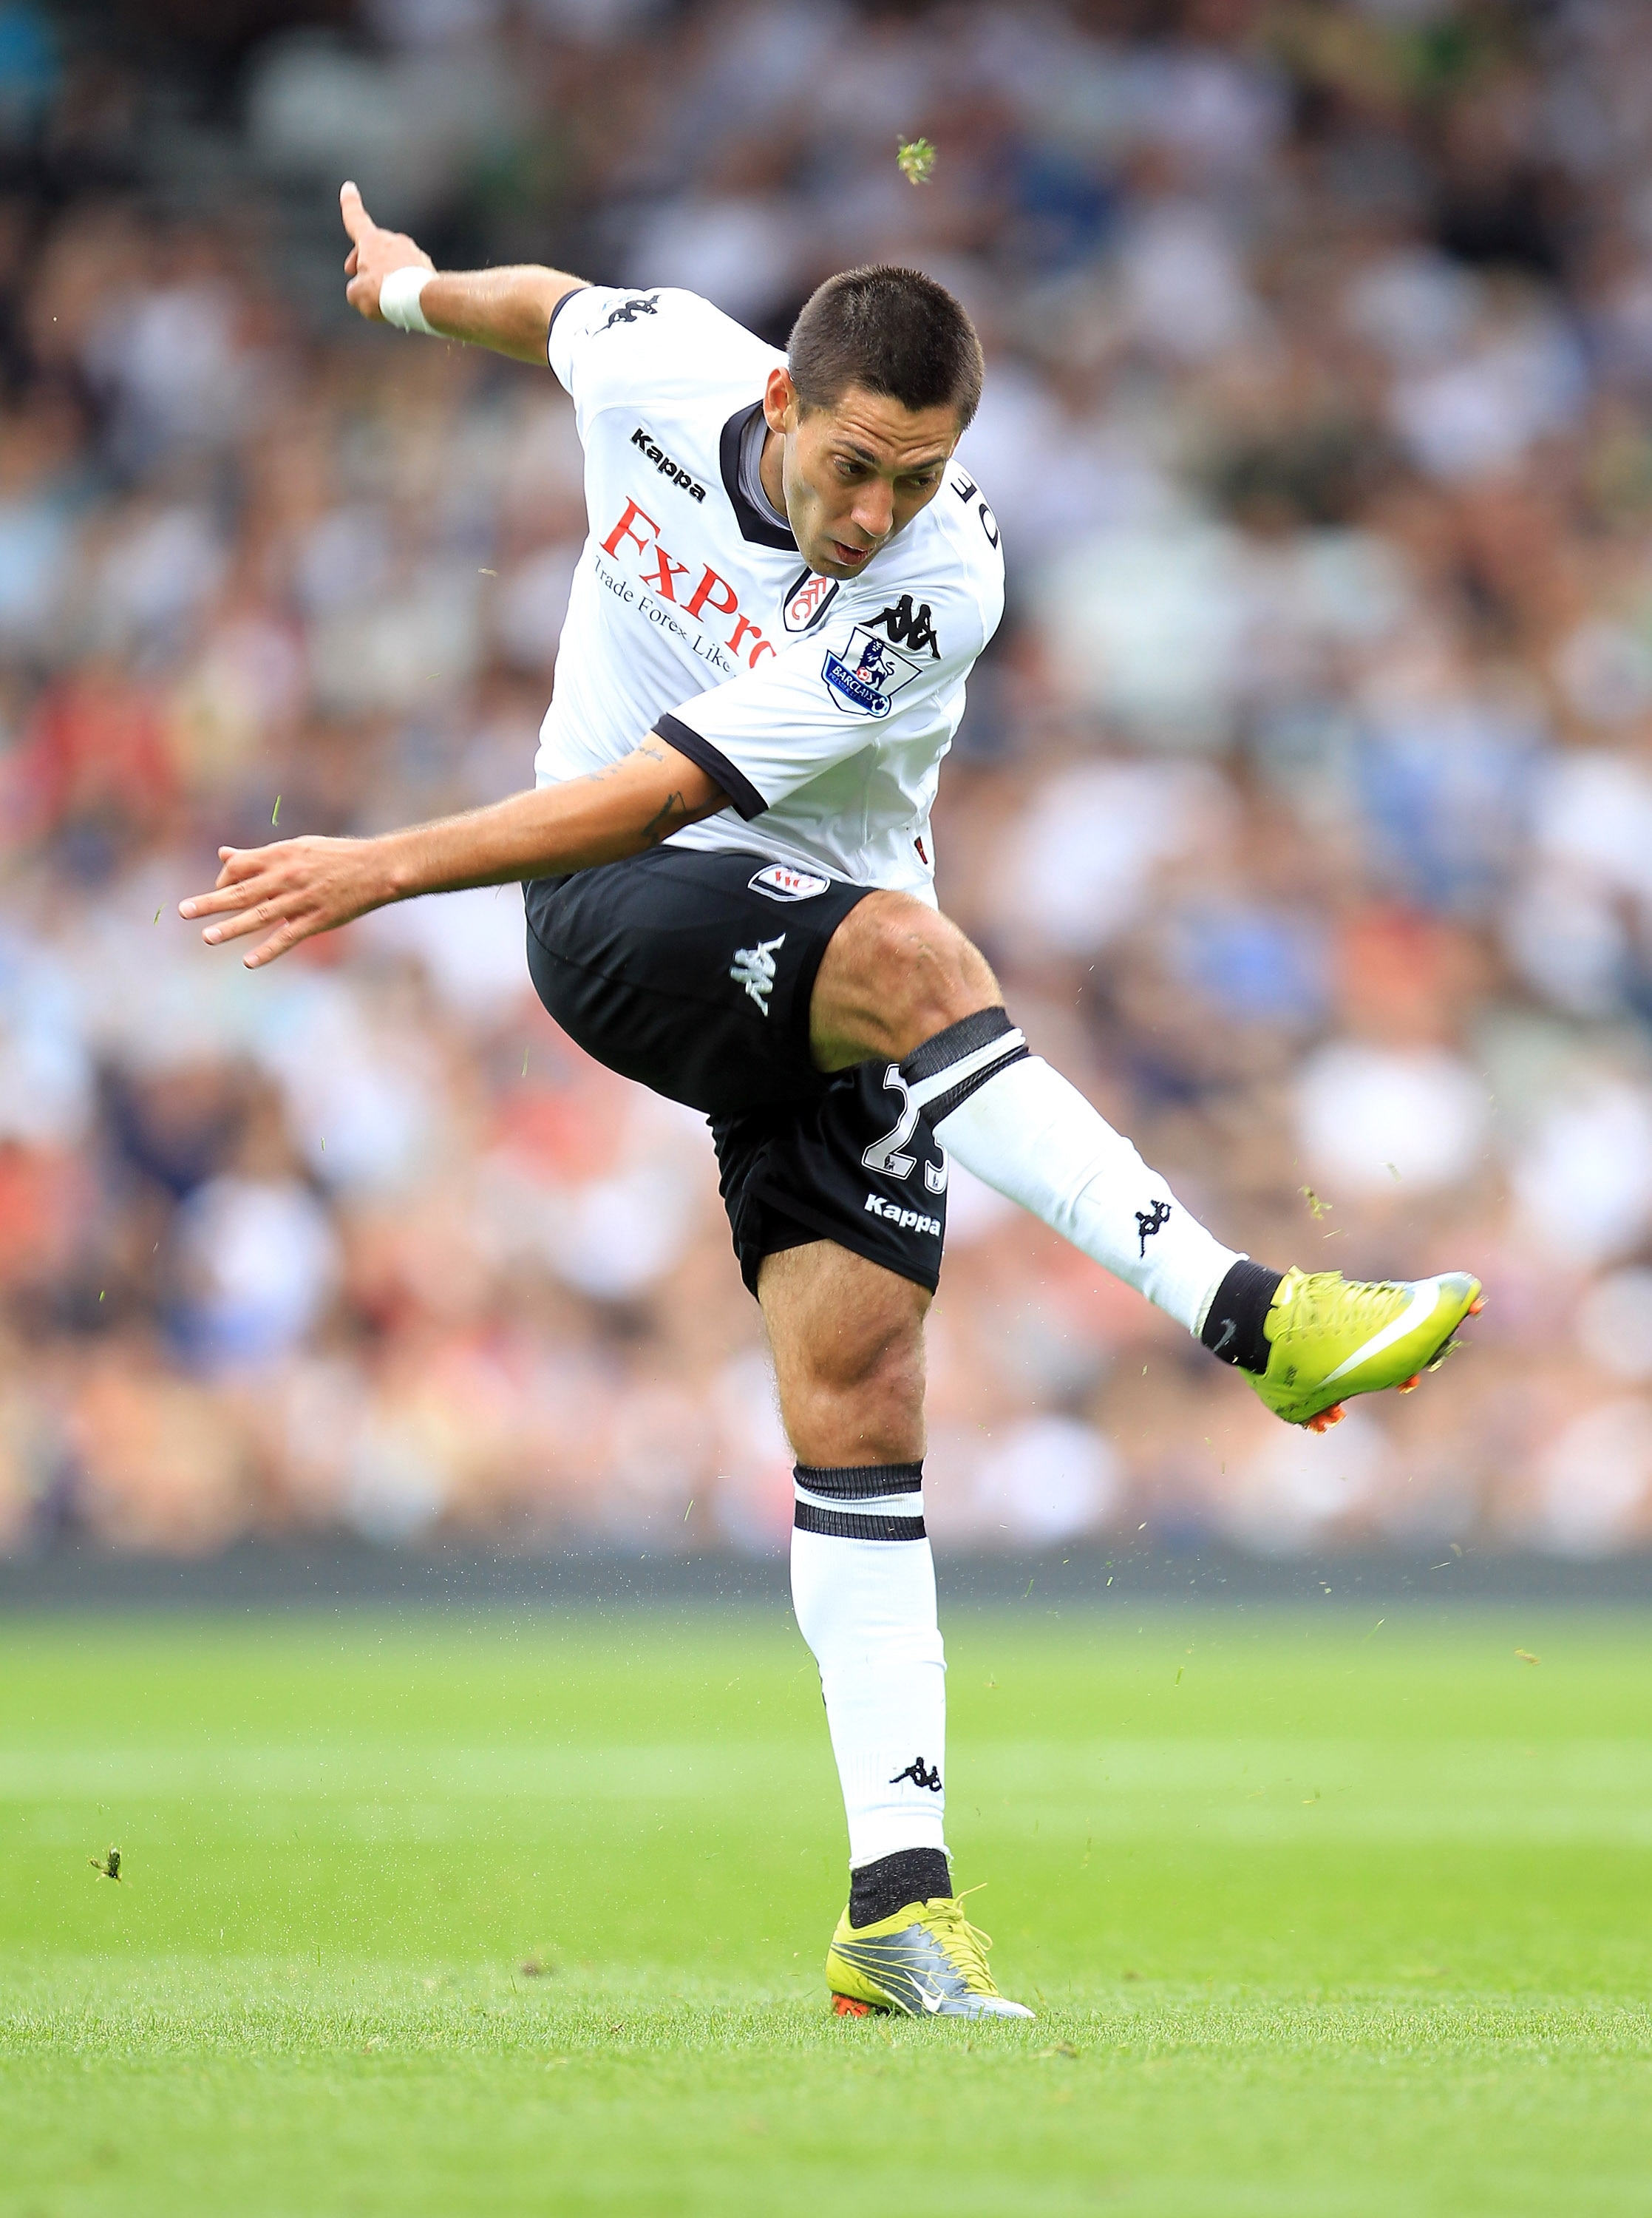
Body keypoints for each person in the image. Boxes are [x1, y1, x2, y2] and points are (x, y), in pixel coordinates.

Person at [181, 183, 1483, 2023]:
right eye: (857, 468)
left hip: (799, 951)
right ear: (779, 405)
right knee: (919, 958)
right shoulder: (656, 361)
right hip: (618, 913)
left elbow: (696, 774)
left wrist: (387, 862)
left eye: (922, 476)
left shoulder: (948, 575)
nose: (879, 519)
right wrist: (402, 293)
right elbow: (543, 317)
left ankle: (897, 1910)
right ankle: (1248, 1313)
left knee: (862, 1402)